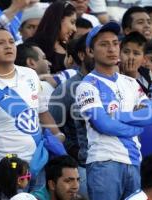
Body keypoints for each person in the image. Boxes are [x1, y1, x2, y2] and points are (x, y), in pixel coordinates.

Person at [0, 27, 65, 191]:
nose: (8, 46)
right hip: (11, 172)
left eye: (11, 42)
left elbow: (42, 112)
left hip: (39, 163)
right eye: (0, 43)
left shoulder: (30, 75)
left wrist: (58, 136)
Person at [75, 21, 152, 200]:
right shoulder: (87, 85)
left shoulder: (130, 82)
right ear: (90, 51)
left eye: (115, 43)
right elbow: (103, 124)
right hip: (105, 162)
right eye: (104, 45)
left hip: (134, 161)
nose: (112, 49)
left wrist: (119, 116)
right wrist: (136, 127)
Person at [49, 34, 93, 198]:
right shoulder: (67, 89)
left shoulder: (118, 84)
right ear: (82, 55)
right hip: (83, 168)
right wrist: (73, 152)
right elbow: (52, 131)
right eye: (96, 49)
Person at [28, 1, 77, 74]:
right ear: (58, 19)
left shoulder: (69, 47)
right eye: (72, 22)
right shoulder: (32, 46)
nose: (75, 29)